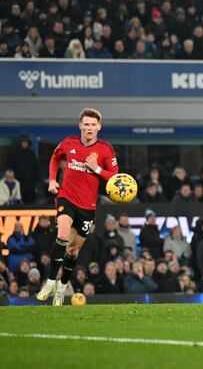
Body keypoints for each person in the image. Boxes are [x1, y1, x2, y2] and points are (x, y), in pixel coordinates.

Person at [36, 108, 119, 306]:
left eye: (93, 125)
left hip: (87, 206)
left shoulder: (105, 150)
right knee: (62, 236)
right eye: (86, 124)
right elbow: (55, 158)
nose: (89, 128)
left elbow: (115, 177)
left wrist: (97, 168)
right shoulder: (69, 143)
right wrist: (52, 180)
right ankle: (49, 283)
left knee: (73, 251)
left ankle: (62, 287)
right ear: (80, 125)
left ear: (99, 127)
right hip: (66, 197)